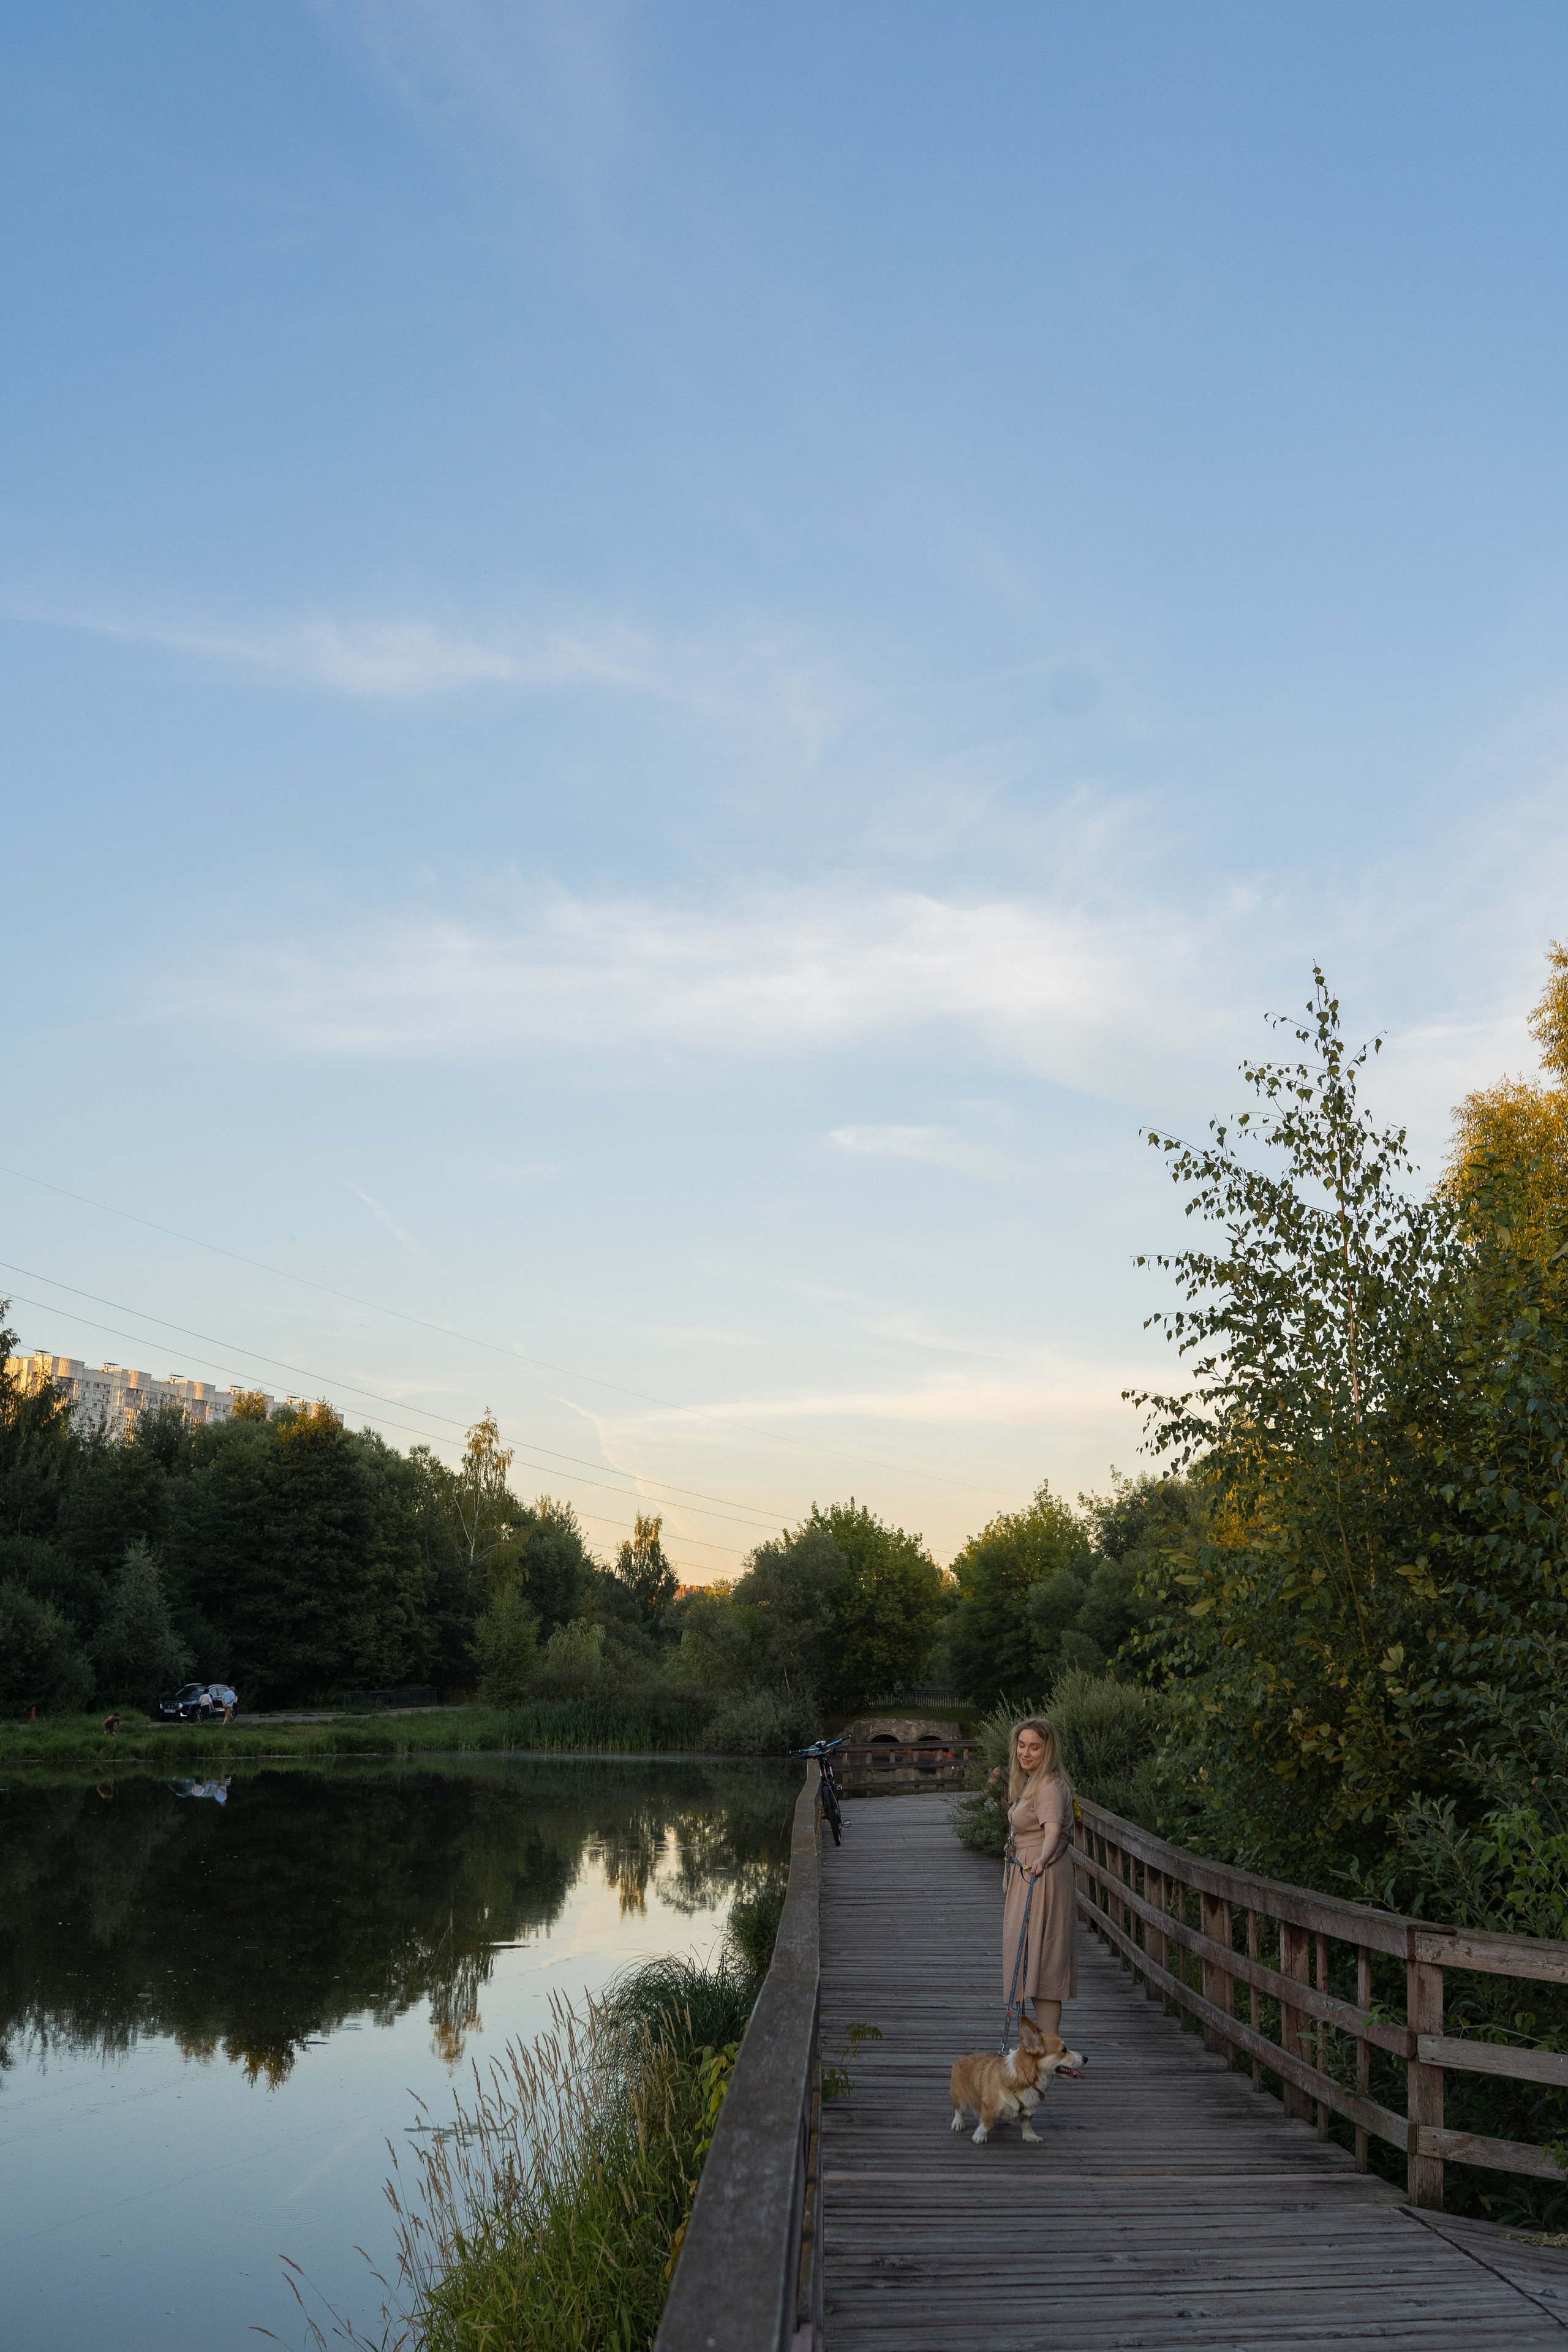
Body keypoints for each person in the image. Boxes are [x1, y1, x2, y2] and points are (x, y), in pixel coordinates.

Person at [995, 1716, 1077, 2040]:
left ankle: (1051, 2046)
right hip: (1029, 1872)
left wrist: (1041, 1860)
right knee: (1033, 1958)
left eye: (1034, 1747)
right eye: (1021, 1745)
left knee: (1044, 1962)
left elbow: (1053, 1831)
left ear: (1048, 1750)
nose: (1025, 1753)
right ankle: (1044, 2047)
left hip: (1042, 1876)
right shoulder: (1032, 1782)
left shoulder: (1048, 1787)